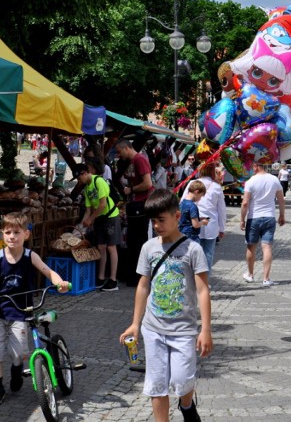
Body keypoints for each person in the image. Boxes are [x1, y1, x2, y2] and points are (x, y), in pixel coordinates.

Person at [119, 189, 212, 422]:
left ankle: (187, 404)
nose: (157, 225)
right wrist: (135, 324)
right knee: (157, 384)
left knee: (182, 380)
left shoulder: (193, 250)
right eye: (153, 221)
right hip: (153, 328)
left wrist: (206, 329)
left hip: (183, 330)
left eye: (161, 220)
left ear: (177, 216)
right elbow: (143, 286)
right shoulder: (148, 248)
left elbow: (203, 290)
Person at [0, 212, 69, 406]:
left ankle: (16, 368)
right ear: (2, 234)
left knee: (19, 352)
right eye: (7, 232)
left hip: (21, 312)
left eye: (16, 232)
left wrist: (59, 282)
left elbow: (48, 271)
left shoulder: (31, 256)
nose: (12, 236)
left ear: (26, 235)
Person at [77, 162, 121, 292]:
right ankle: (100, 278)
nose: (79, 181)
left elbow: (102, 204)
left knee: (111, 247)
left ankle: (113, 280)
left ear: (85, 173)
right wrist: (81, 226)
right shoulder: (86, 188)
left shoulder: (99, 181)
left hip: (111, 216)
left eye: (79, 178)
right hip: (99, 218)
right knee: (101, 247)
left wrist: (91, 219)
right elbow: (88, 210)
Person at [240, 162, 285, 287]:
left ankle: (250, 274)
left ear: (255, 166)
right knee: (267, 247)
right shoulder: (274, 179)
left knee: (251, 247)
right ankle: (266, 278)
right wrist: (282, 215)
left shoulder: (251, 181)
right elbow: (281, 199)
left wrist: (242, 219)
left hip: (254, 218)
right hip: (269, 216)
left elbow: (245, 203)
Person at [116, 139, 154, 286]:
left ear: (126, 148)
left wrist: (131, 190)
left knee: (138, 241)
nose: (119, 155)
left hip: (141, 204)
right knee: (133, 241)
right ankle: (133, 275)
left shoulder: (139, 160)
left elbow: (148, 183)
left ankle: (139, 277)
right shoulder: (133, 161)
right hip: (134, 204)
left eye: (120, 152)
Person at [182, 163, 226, 276]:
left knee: (193, 253)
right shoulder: (216, 187)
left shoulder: (192, 183)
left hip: (191, 224)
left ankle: (192, 279)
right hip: (210, 224)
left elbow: (182, 202)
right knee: (208, 253)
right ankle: (204, 280)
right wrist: (221, 228)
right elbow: (221, 209)